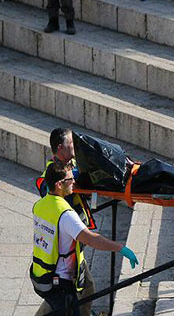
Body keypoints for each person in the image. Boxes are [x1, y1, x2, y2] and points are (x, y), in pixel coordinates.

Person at [32, 163, 139, 316]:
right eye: (70, 179)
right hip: (63, 281)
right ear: (59, 185)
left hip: (44, 274)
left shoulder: (40, 205)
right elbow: (91, 239)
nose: (74, 182)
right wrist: (120, 248)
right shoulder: (66, 214)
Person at [35, 128, 97, 316]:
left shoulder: (72, 165)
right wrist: (118, 248)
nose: (75, 145)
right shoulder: (53, 176)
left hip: (73, 241)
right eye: (72, 143)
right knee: (84, 288)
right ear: (60, 148)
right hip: (66, 243)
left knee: (83, 288)